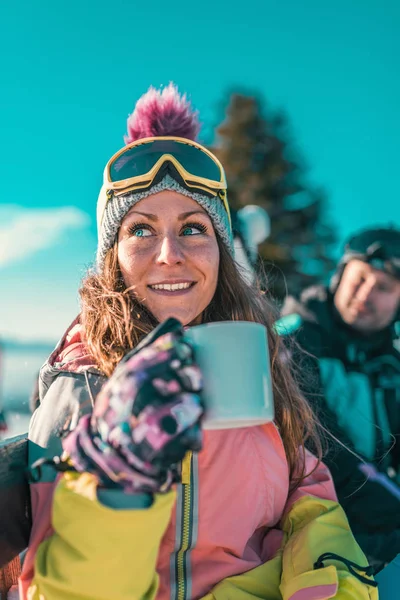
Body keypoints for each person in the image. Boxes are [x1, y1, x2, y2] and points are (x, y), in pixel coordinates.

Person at [21, 85, 377, 600]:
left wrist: (331, 584)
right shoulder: (84, 387)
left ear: (220, 252)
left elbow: (308, 491)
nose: (170, 253)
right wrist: (116, 486)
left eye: (193, 227)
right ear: (112, 260)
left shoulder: (250, 364)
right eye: (141, 230)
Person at [278, 226, 400, 569]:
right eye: (359, 279)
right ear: (340, 275)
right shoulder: (292, 340)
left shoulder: (389, 369)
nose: (366, 294)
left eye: (384, 288)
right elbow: (316, 440)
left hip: (365, 521)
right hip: (297, 520)